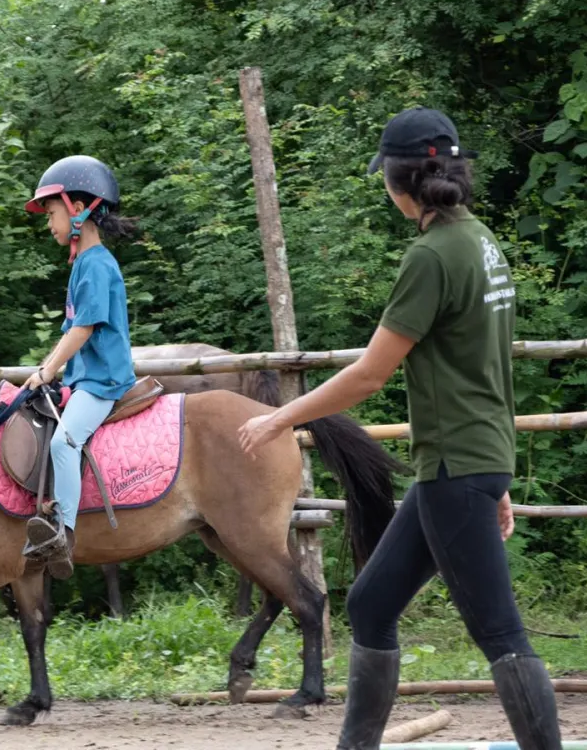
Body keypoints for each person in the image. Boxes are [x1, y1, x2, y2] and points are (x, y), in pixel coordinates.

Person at [236, 107, 561, 750]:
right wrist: (494, 473)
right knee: (372, 604)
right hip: (468, 461)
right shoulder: (483, 242)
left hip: (456, 467)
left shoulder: (432, 256)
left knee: (499, 632)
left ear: (397, 181)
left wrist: (278, 417)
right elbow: (486, 361)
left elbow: (369, 375)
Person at [19, 154, 138, 580]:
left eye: (50, 213)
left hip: (104, 381)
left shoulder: (97, 265)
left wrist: (47, 371)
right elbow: (70, 331)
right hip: (84, 378)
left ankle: (62, 537)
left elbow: (83, 329)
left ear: (77, 209)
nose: (48, 223)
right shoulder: (82, 265)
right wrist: (50, 369)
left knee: (62, 445)